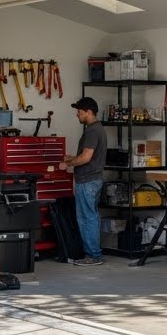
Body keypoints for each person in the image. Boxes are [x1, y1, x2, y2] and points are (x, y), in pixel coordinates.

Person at [59, 96, 107, 266]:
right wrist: (73, 158)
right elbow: (88, 156)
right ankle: (93, 253)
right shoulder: (97, 129)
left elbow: (86, 158)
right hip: (92, 180)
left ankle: (93, 256)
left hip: (87, 181)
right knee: (91, 216)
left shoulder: (92, 131)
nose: (77, 115)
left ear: (88, 112)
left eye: (79, 112)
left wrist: (68, 163)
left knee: (87, 218)